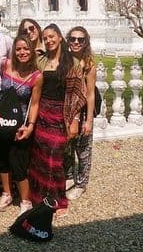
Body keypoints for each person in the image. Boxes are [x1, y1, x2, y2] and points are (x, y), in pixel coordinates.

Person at [29, 24, 86, 215]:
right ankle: (39, 197)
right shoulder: (41, 61)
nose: (48, 41)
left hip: (61, 114)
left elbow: (78, 94)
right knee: (40, 158)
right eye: (45, 38)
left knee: (55, 159)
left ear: (60, 37)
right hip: (42, 113)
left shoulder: (72, 63)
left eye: (52, 37)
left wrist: (75, 120)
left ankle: (58, 200)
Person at [0, 35, 42, 214]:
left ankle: (25, 201)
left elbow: (34, 103)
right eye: (19, 49)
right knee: (2, 160)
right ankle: (7, 192)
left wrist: (30, 125)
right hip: (0, 121)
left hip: (19, 124)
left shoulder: (36, 76)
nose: (22, 52)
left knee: (18, 162)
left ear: (32, 51)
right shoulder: (6, 65)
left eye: (26, 49)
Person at [64, 26, 96, 201]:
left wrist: (88, 120)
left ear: (86, 42)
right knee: (67, 148)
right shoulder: (65, 60)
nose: (76, 42)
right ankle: (69, 177)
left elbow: (90, 94)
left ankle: (82, 183)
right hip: (66, 109)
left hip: (82, 111)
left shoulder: (88, 65)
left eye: (80, 39)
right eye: (73, 39)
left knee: (83, 150)